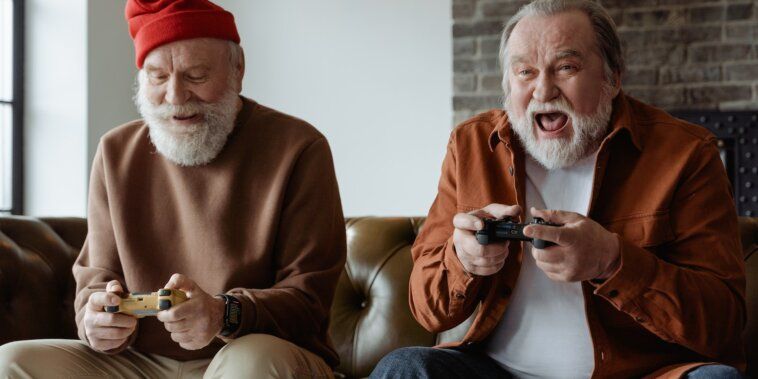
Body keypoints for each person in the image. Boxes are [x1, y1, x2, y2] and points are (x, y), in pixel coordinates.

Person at [371, 1, 745, 378]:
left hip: (642, 373)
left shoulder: (686, 153)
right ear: (508, 84)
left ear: (613, 78)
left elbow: (722, 323)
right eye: (524, 72)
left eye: (566, 68)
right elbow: (427, 309)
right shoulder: (470, 146)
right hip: (495, 371)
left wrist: (612, 261)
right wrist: (463, 261)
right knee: (405, 368)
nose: (543, 90)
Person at [0, 0, 345, 378]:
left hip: (253, 352)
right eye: (158, 77)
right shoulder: (115, 152)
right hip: (139, 363)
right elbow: (95, 277)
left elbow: (309, 300)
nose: (176, 96)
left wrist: (222, 313)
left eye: (196, 75)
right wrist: (96, 320)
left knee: (251, 364)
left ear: (238, 70)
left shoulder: (299, 147)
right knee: (13, 362)